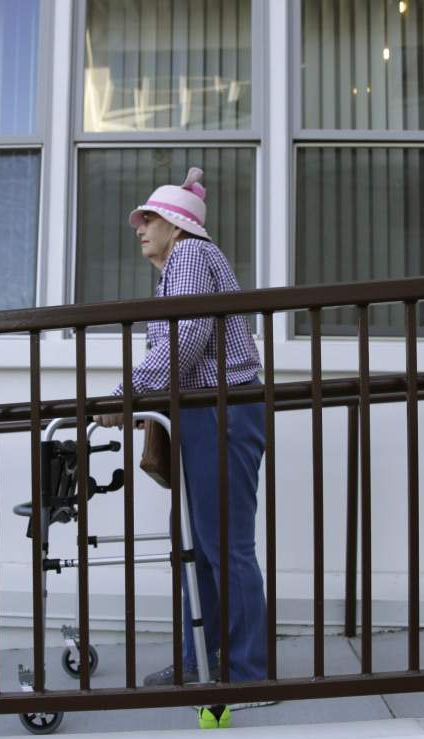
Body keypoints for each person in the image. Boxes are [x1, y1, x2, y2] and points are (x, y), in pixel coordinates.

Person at [95, 167, 267, 685]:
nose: (140, 228)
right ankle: (203, 657)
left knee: (222, 543)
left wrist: (128, 392)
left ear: (176, 223)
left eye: (149, 219)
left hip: (223, 409)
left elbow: (188, 333)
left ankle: (246, 672)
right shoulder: (181, 264)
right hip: (208, 410)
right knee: (196, 541)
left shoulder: (191, 253)